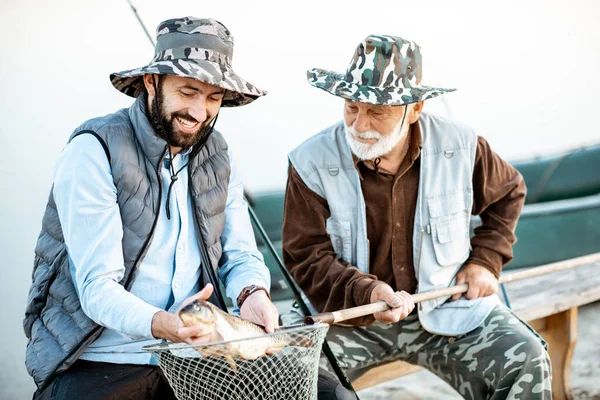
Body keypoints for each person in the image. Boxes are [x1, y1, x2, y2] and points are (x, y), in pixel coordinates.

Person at [282, 35, 551, 399]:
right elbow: (304, 256)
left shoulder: (463, 145)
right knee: (286, 373)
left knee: (528, 358)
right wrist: (369, 291)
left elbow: (509, 193)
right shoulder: (309, 161)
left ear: (415, 108)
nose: (360, 125)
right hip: (351, 321)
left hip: (447, 310)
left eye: (377, 111)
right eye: (351, 107)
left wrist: (485, 261)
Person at [23, 17, 280, 399]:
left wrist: (252, 294)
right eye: (188, 91)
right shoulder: (93, 150)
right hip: (101, 355)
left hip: (196, 351)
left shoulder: (219, 154)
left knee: (329, 394)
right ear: (150, 82)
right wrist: (163, 324)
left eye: (213, 98)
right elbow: (97, 288)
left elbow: (240, 255)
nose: (199, 112)